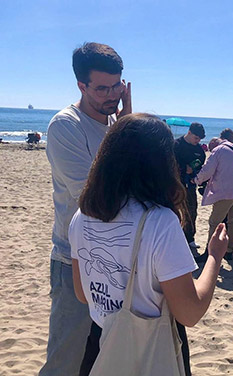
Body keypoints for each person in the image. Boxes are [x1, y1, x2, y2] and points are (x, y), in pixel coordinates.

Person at [70, 114, 228, 375]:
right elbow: (189, 313)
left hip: (99, 346)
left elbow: (82, 293)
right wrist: (214, 257)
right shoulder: (159, 221)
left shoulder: (83, 216)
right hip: (150, 348)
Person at [42, 42, 131, 376]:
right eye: (102, 88)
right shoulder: (66, 126)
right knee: (65, 360)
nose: (112, 95)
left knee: (101, 359)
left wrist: (125, 126)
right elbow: (93, 200)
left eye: (117, 86)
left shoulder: (116, 126)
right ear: (81, 85)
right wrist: (124, 133)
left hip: (116, 261)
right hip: (74, 260)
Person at [193, 137, 233, 262]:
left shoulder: (218, 151)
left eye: (210, 149)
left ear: (213, 144)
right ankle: (229, 250)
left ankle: (209, 252)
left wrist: (196, 180)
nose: (210, 150)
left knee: (214, 222)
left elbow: (208, 170)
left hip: (227, 192)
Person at [174, 122, 206, 251]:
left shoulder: (198, 149)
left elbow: (201, 162)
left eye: (199, 139)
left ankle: (190, 238)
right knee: (175, 212)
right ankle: (176, 238)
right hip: (176, 184)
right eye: (196, 138)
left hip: (190, 185)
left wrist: (193, 169)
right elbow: (169, 163)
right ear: (189, 133)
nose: (197, 141)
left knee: (192, 210)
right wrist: (183, 168)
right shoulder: (176, 145)